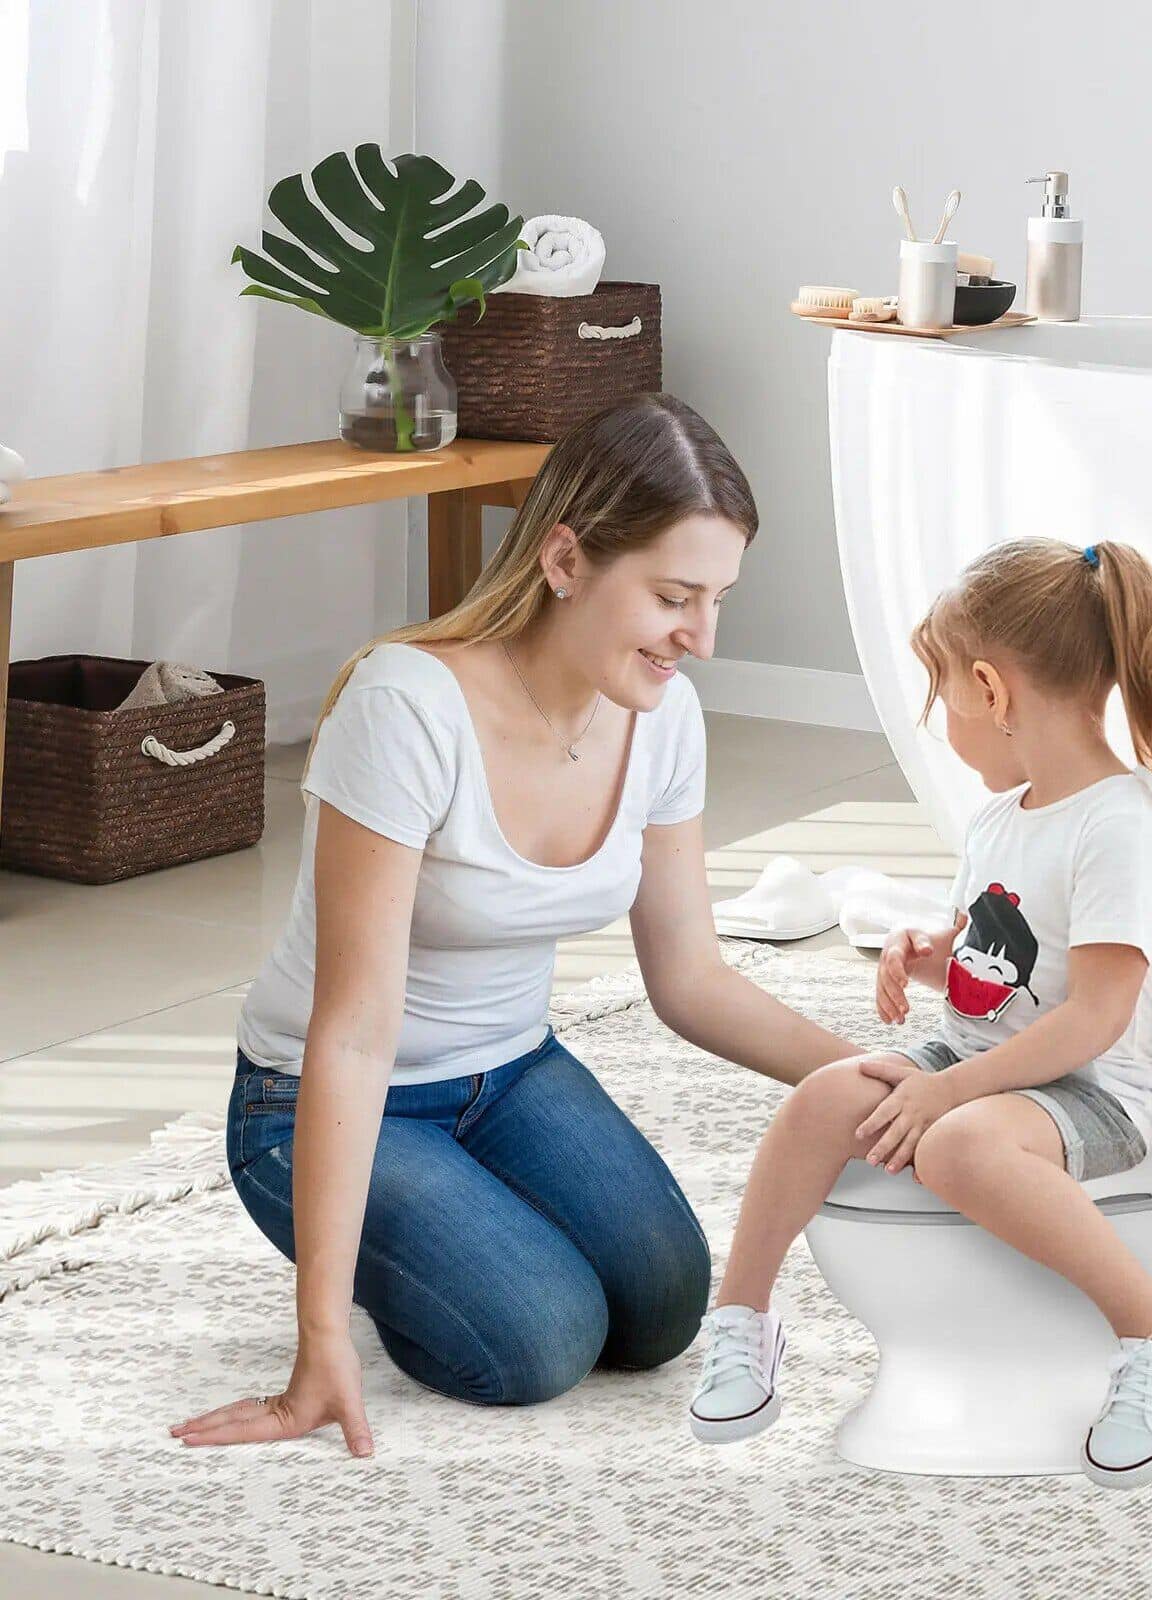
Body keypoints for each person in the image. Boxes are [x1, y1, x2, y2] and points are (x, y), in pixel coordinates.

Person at [168, 394, 863, 1459]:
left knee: (665, 1306)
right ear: (565, 559)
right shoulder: (407, 709)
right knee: (540, 1340)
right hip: (318, 1096)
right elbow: (351, 1032)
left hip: (511, 1070)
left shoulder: (658, 712)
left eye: (717, 599)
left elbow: (690, 978)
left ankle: (440, 1231)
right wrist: (317, 1344)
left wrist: (881, 1083)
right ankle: (371, 1261)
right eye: (675, 596)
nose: (703, 638)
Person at [687, 537, 1152, 1491]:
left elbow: (1095, 1016)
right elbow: (1010, 970)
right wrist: (933, 959)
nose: (938, 720)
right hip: (982, 1064)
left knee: (957, 1146)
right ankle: (742, 1320)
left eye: (940, 695)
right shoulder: (1004, 817)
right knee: (821, 1096)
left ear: (990, 687)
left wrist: (950, 1094)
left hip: (1090, 1094)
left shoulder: (1120, 828)